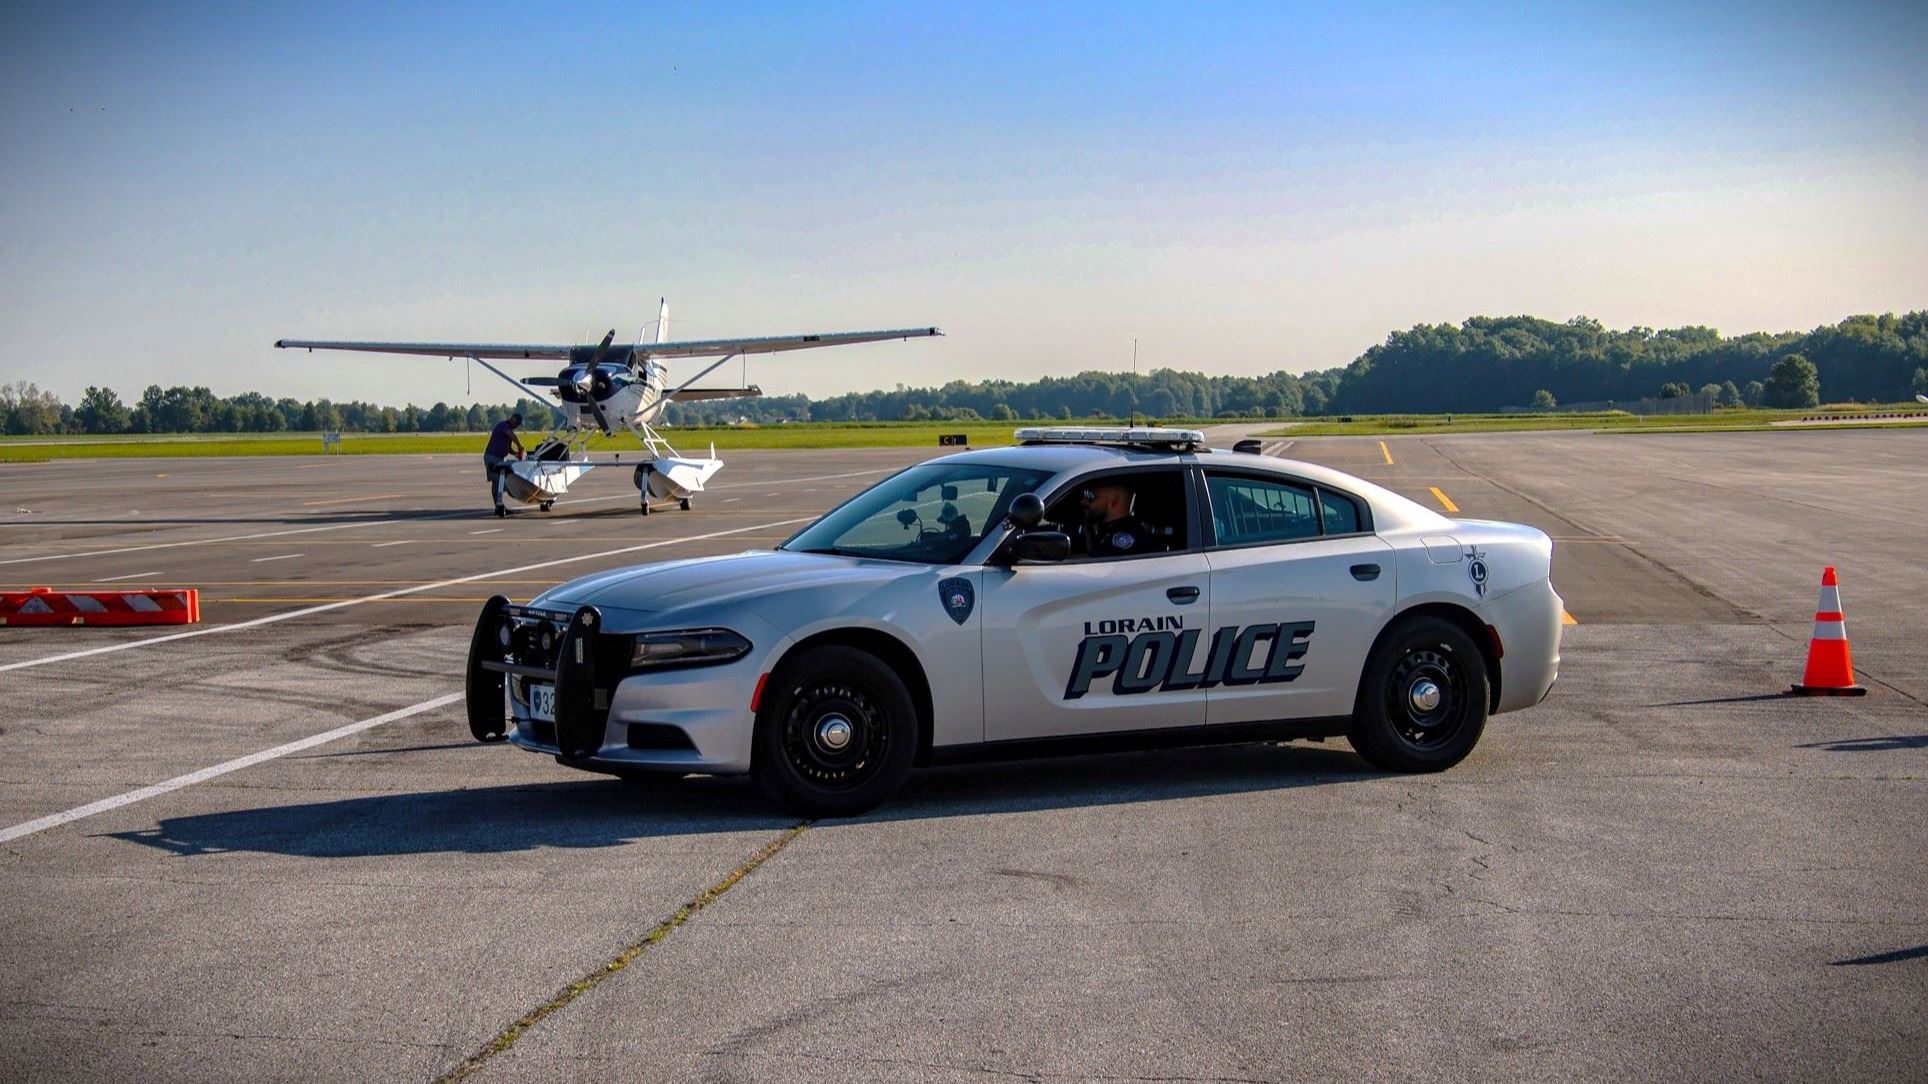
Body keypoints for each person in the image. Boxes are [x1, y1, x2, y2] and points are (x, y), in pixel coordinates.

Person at [1080, 481, 1163, 557]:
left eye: (1092, 497)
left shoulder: (1129, 538)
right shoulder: (1107, 530)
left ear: (1113, 501)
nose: (1083, 501)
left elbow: (1099, 563)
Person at [482, 413, 525, 517]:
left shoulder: (507, 429)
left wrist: (515, 453)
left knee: (498, 482)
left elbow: (508, 448)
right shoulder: (503, 426)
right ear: (513, 420)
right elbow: (512, 435)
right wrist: (520, 446)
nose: (516, 426)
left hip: (499, 458)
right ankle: (499, 505)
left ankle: (499, 505)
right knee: (497, 481)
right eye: (517, 423)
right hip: (492, 457)